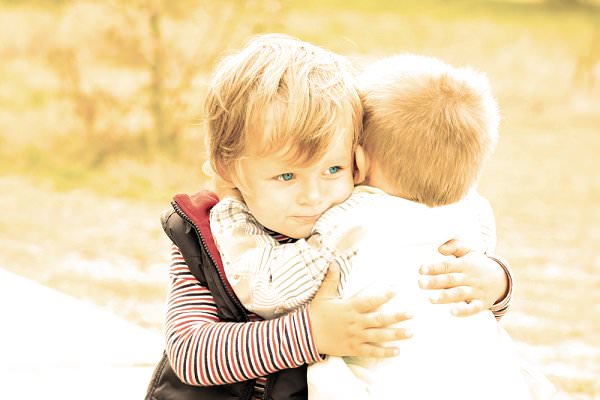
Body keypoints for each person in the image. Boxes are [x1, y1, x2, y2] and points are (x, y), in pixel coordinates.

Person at [145, 34, 513, 400]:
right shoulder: (207, 239)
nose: (314, 196)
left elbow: (430, 322)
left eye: (334, 169)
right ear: (229, 169)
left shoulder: (357, 221)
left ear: (358, 159)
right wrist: (312, 333)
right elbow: (191, 354)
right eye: (286, 176)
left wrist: (493, 285)